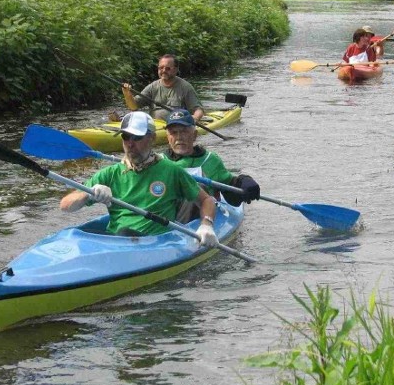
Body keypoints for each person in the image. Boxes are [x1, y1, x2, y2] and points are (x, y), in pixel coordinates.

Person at [60, 111, 218, 246]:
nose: (130, 143)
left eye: (137, 137)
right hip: (117, 243)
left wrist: (207, 224)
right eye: (126, 136)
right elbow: (65, 205)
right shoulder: (109, 174)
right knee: (121, 233)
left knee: (124, 232)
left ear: (152, 138)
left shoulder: (172, 171)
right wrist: (87, 194)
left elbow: (206, 200)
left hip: (154, 243)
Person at [163, 109, 260, 221]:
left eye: (184, 131)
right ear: (168, 137)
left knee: (197, 187)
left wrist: (244, 181)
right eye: (174, 133)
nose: (179, 137)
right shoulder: (158, 161)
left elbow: (230, 189)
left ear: (194, 135)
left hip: (196, 219)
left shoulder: (210, 160)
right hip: (164, 218)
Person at [118, 54, 204, 122]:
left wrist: (195, 118)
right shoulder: (152, 87)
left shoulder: (185, 87)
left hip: (176, 126)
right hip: (156, 125)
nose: (163, 71)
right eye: (161, 68)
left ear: (176, 69)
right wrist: (127, 94)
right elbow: (133, 107)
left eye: (167, 68)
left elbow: (198, 110)